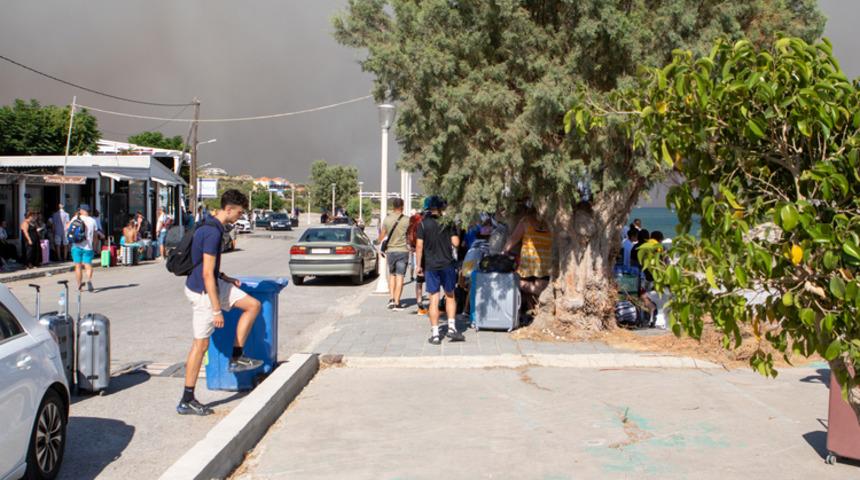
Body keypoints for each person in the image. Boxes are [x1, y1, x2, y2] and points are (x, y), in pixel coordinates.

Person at [179, 190, 262, 416]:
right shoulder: (211, 233)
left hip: (214, 283)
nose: (239, 216)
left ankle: (236, 357)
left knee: (253, 305)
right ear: (228, 209)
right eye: (239, 212)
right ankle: (187, 398)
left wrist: (224, 277)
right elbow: (206, 273)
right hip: (204, 292)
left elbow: (209, 268)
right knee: (200, 345)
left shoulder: (211, 226)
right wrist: (217, 310)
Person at [415, 196, 463, 344]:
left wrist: (418, 265)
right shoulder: (448, 223)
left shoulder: (422, 225)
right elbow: (456, 243)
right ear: (442, 207)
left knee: (433, 299)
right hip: (447, 264)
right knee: (450, 296)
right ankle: (452, 328)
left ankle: (435, 334)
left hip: (431, 266)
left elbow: (419, 246)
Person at [503, 205, 553, 319]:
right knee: (532, 291)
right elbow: (513, 239)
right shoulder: (525, 221)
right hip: (528, 266)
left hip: (545, 266)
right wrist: (504, 252)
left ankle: (535, 313)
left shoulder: (552, 223)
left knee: (540, 291)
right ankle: (525, 315)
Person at [380, 198, 410, 310]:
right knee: (400, 276)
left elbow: (382, 236)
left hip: (391, 251)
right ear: (402, 206)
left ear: (393, 206)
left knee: (392, 275)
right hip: (403, 251)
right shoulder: (407, 220)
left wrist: (378, 243)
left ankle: (391, 299)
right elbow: (410, 236)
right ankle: (397, 302)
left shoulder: (387, 219)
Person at [70, 204, 102, 291]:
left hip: (76, 246)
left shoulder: (75, 219)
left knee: (78, 266)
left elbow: (67, 228)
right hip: (88, 247)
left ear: (81, 211)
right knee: (88, 265)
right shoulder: (92, 220)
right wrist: (95, 246)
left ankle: (79, 285)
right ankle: (89, 280)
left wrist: (75, 216)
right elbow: (95, 236)